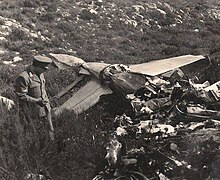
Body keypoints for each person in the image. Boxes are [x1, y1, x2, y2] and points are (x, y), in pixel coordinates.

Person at [14, 55, 54, 142]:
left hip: (45, 109)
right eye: (44, 69)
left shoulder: (40, 74)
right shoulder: (24, 77)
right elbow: (21, 96)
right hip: (32, 112)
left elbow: (42, 89)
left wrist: (46, 101)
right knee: (35, 135)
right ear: (36, 66)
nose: (45, 71)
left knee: (50, 131)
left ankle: (52, 149)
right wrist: (37, 101)